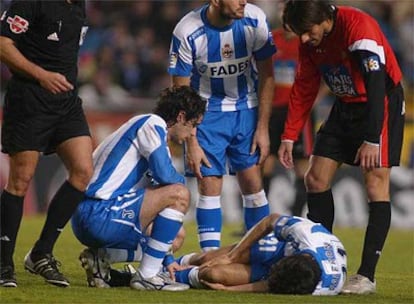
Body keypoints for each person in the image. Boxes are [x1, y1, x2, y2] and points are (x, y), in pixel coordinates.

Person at [278, 0, 405, 295]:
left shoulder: (359, 29)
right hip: (346, 104)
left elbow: (377, 85)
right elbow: (305, 84)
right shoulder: (310, 39)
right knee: (315, 178)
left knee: (375, 183)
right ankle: (328, 259)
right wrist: (289, 134)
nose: (305, 39)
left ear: (324, 20)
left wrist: (372, 138)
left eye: (308, 32)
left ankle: (366, 276)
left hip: (381, 104)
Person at [71, 86, 206, 291]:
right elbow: (164, 176)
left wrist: (167, 259)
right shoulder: (152, 123)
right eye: (193, 125)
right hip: (99, 212)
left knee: (175, 235)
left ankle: (102, 258)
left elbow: (158, 191)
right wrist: (181, 181)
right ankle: (146, 276)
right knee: (179, 194)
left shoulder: (150, 137)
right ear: (180, 116)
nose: (193, 133)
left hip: (91, 216)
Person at [168, 0, 276, 252]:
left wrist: (262, 128)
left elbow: (268, 76)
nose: (243, 2)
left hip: (245, 110)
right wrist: (191, 141)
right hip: (205, 115)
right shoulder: (187, 31)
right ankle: (210, 259)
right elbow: (180, 91)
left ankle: (259, 254)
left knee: (253, 184)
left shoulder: (255, 20)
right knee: (209, 185)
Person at [0, 0, 93, 288]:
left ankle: (41, 252)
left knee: (83, 171)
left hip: (65, 102)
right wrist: (41, 75)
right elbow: (3, 44)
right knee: (20, 180)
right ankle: (3, 264)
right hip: (30, 97)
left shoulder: (78, 5)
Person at [96, 213, 347, 295]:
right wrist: (235, 253)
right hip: (278, 248)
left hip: (290, 263)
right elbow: (270, 220)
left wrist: (231, 291)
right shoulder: (304, 234)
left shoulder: (324, 286)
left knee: (212, 273)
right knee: (209, 260)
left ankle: (138, 273)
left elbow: (275, 284)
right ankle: (166, 261)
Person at [263, 23, 315, 217]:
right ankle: (257, 220)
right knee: (264, 162)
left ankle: (295, 216)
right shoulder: (271, 39)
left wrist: (313, 100)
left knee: (301, 165)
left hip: (299, 112)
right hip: (273, 111)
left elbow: (323, 73)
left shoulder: (306, 41)